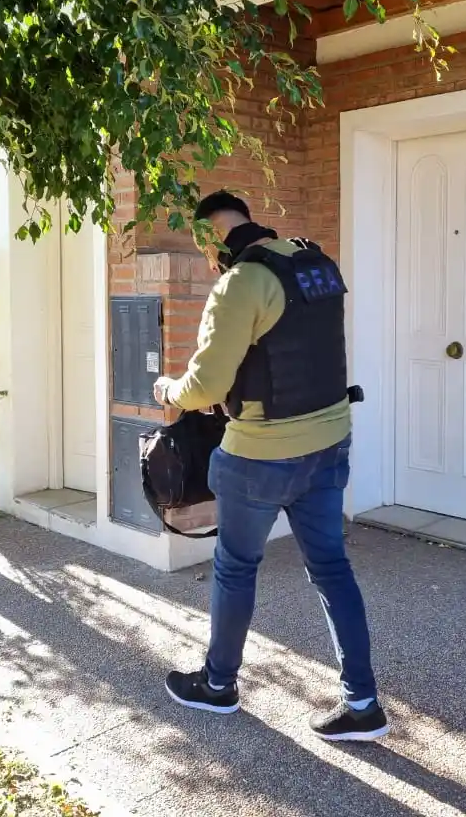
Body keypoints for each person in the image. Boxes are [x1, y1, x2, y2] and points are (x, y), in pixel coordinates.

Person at [152, 190, 387, 741]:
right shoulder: (314, 263)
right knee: (331, 569)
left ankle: (218, 686)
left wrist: (169, 388)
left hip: (260, 456)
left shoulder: (242, 282)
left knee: (236, 567)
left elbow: (207, 385)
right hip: (329, 442)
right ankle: (363, 705)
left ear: (212, 238)